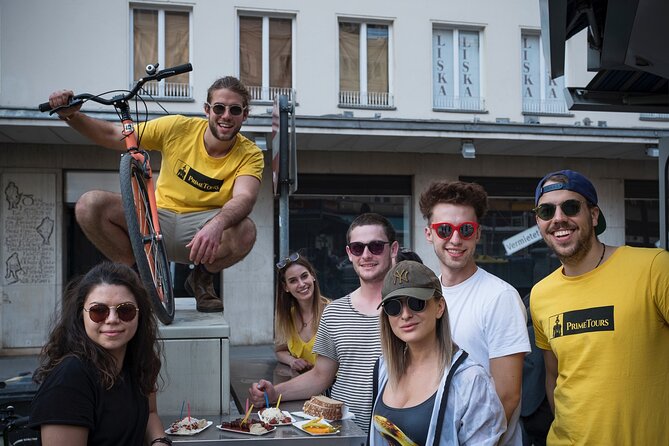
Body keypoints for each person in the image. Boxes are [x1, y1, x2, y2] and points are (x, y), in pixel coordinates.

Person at [47, 76, 264, 313]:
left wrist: (218, 224)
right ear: (206, 110)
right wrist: (70, 115)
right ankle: (138, 277)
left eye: (235, 110)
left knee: (246, 232)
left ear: (245, 115)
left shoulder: (250, 153)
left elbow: (244, 197)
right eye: (219, 108)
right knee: (89, 205)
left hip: (203, 231)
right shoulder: (178, 128)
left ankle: (201, 280)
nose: (226, 116)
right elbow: (113, 134)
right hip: (156, 219)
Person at [530, 169, 669, 445]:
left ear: (593, 215)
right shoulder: (540, 294)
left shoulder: (654, 267)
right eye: (546, 211)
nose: (558, 218)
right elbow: (553, 376)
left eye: (570, 207)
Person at [249, 213, 399, 432]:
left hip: (393, 435)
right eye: (358, 248)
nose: (366, 254)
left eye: (376, 246)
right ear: (349, 253)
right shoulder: (334, 312)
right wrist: (274, 393)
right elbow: (321, 376)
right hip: (341, 432)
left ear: (393, 250)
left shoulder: (410, 310)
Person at [419, 180, 530, 446]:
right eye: (444, 229)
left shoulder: (499, 297)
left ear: (478, 234)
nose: (455, 239)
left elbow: (507, 395)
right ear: (429, 234)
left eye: (465, 229)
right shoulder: (424, 294)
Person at [29, 262, 172, 446]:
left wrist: (159, 441)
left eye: (125, 310)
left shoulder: (139, 361)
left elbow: (150, 413)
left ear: (140, 314)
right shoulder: (70, 379)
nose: (112, 319)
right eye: (99, 311)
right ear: (82, 315)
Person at [370, 260, 506, 445]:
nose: (405, 314)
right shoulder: (383, 369)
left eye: (416, 302)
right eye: (393, 307)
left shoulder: (470, 379)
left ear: (439, 306)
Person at [274, 252, 330, 372]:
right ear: (286, 287)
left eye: (304, 276)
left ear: (313, 276)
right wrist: (292, 361)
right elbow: (280, 351)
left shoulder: (333, 313)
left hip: (335, 388)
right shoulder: (288, 317)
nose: (301, 284)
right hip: (304, 387)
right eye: (293, 281)